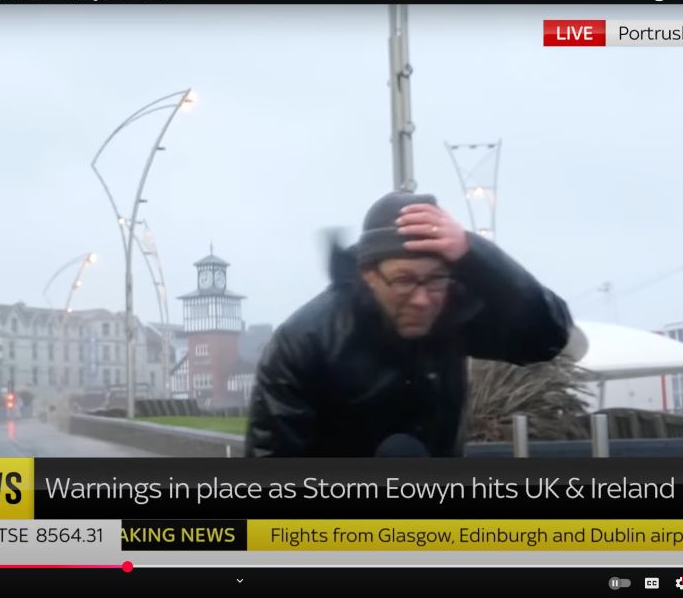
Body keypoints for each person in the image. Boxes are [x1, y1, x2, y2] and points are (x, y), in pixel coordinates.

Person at [244, 192, 573, 457]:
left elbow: (547, 335)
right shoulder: (305, 342)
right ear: (369, 275)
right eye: (404, 280)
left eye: (435, 279)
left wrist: (474, 253)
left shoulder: (449, 314)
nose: (422, 299)